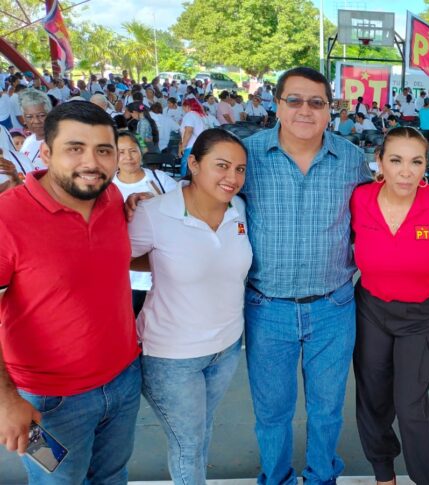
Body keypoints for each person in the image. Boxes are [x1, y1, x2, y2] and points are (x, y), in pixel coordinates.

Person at [241, 67, 373, 485]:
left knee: (327, 408)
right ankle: (276, 478)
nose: (305, 110)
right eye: (294, 100)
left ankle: (321, 477)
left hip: (332, 307)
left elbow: (378, 213)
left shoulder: (351, 158)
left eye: (317, 102)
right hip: (267, 308)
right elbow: (205, 200)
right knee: (272, 412)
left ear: (329, 111)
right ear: (276, 104)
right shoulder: (248, 156)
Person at [0, 101, 141, 483]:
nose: (91, 162)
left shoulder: (111, 199)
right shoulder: (7, 217)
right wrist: (5, 399)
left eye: (103, 150)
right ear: (45, 152)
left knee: (113, 476)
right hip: (46, 401)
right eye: (75, 148)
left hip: (123, 383)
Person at [129, 128, 251, 485]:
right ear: (194, 164)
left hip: (226, 348)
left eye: (240, 169)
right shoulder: (154, 213)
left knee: (200, 432)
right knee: (188, 442)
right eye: (222, 166)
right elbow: (118, 257)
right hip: (171, 357)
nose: (232, 178)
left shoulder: (238, 209)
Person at [351, 127, 429, 485]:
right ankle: (384, 475)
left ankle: (426, 479)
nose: (406, 171)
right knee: (373, 400)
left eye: (416, 162)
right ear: (379, 163)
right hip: (371, 310)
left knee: (411, 406)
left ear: (425, 166)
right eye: (396, 160)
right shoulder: (359, 199)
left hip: (420, 317)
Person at [113, 131, 178, 316]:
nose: (128, 157)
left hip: (160, 271)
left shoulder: (160, 180)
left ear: (141, 152)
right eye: (121, 152)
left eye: (133, 150)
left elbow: (183, 212)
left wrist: (159, 202)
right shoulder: (108, 187)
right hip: (126, 275)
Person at [17, 89, 51, 170]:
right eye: (29, 117)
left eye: (41, 115)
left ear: (50, 115)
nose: (36, 121)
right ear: (24, 118)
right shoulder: (27, 141)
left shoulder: (58, 142)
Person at [178, 97, 207, 177]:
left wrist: (183, 146)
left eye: (183, 107)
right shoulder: (201, 116)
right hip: (201, 145)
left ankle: (185, 184)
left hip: (191, 146)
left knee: (187, 167)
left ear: (187, 106)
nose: (183, 109)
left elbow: (189, 130)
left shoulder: (190, 115)